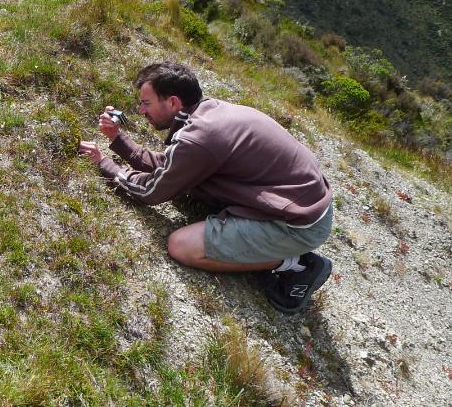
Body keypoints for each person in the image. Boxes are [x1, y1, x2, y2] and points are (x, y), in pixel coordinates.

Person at [78, 61, 334, 314]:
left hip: (300, 225)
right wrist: (116, 139)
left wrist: (105, 165)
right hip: (301, 201)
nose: (141, 110)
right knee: (183, 189)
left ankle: (295, 263)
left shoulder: (199, 137)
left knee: (181, 245)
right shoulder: (209, 113)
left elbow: (151, 192)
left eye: (146, 103)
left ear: (173, 103)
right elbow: (169, 166)